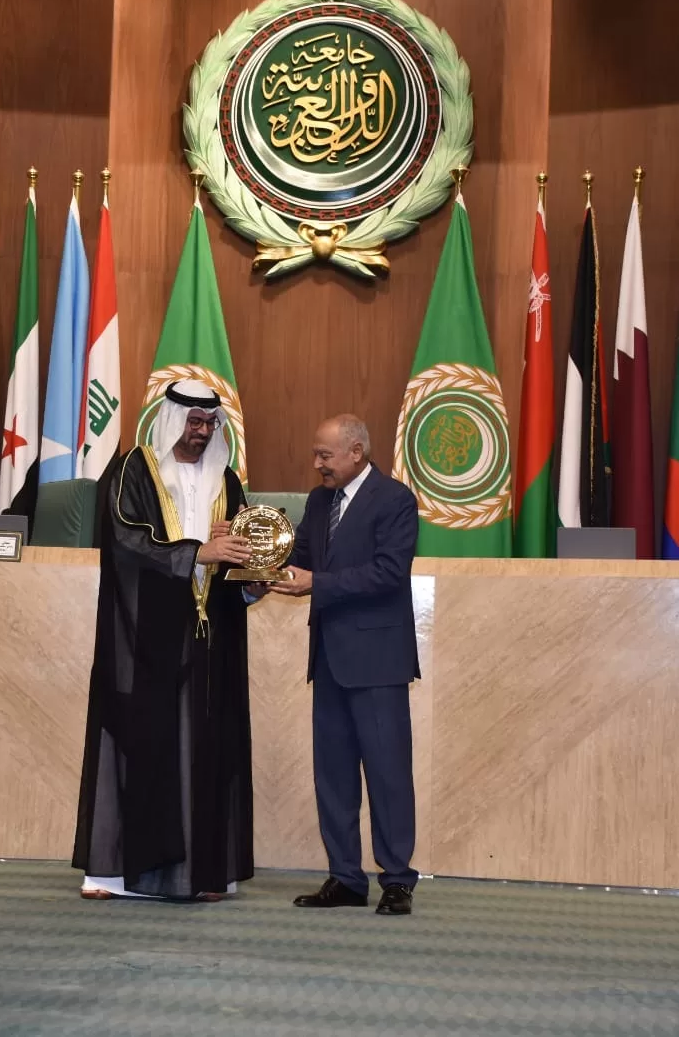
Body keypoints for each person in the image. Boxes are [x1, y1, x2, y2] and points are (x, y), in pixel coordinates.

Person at [72, 380, 256, 900]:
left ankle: (205, 874)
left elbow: (239, 553)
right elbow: (125, 540)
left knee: (207, 747)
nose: (202, 433)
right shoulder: (134, 470)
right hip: (146, 636)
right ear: (173, 419)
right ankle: (112, 875)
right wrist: (197, 553)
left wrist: (252, 581)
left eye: (210, 424)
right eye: (193, 422)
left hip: (211, 635)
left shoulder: (228, 482)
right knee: (142, 744)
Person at [271, 414, 420, 916]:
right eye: (316, 454)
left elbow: (389, 573)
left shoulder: (395, 500)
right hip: (329, 661)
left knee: (388, 775)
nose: (317, 464)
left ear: (357, 452)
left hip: (378, 663)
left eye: (325, 455)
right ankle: (346, 879)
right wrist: (257, 562)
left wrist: (318, 583)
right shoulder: (319, 502)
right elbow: (300, 556)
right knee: (332, 777)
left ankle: (396, 880)